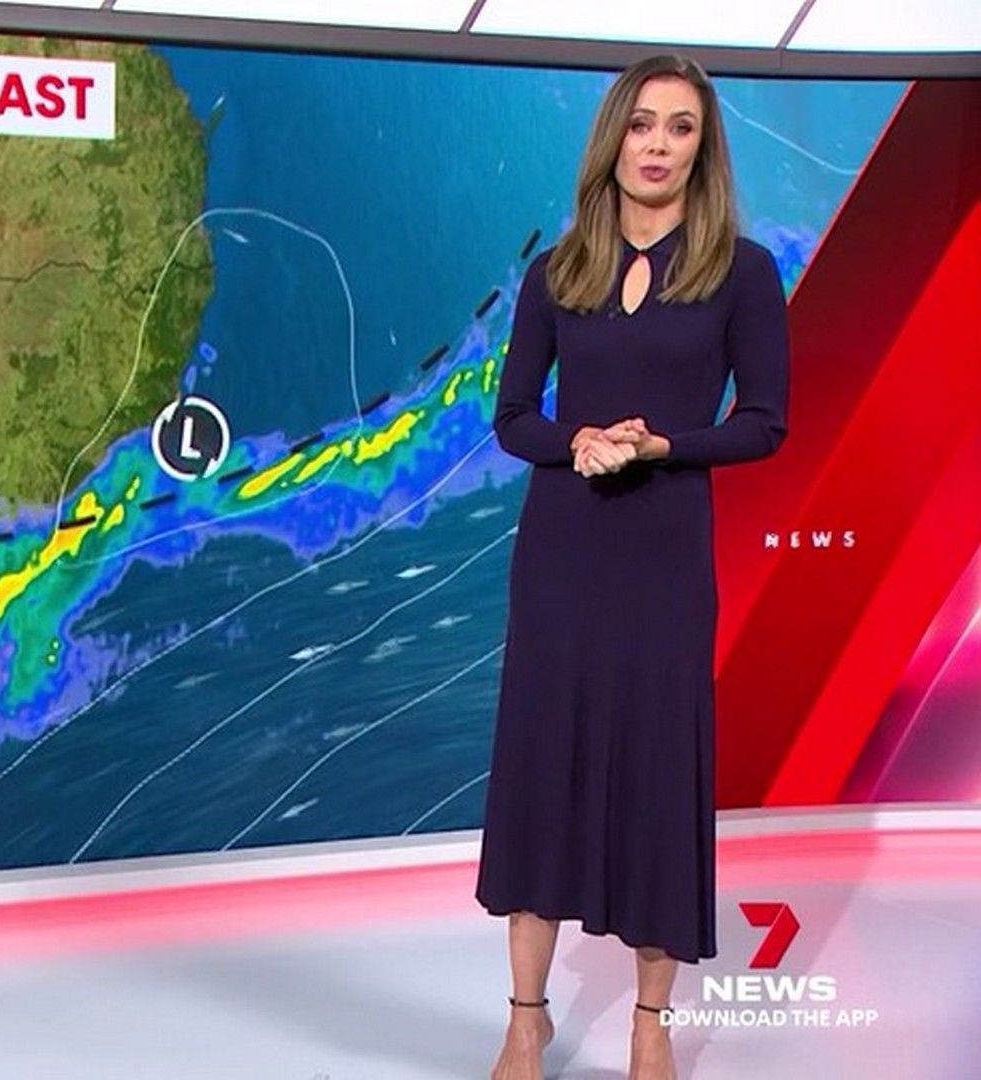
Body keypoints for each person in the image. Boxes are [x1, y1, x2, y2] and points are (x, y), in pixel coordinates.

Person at [474, 53, 791, 1080]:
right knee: (543, 768)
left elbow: (763, 422)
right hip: (562, 553)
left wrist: (661, 446)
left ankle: (651, 1020)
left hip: (664, 555)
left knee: (658, 770)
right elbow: (513, 416)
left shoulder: (741, 273)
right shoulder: (557, 271)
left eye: (680, 128)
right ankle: (527, 1017)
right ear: (612, 137)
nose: (658, 145)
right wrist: (576, 441)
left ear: (704, 148)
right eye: (643, 124)